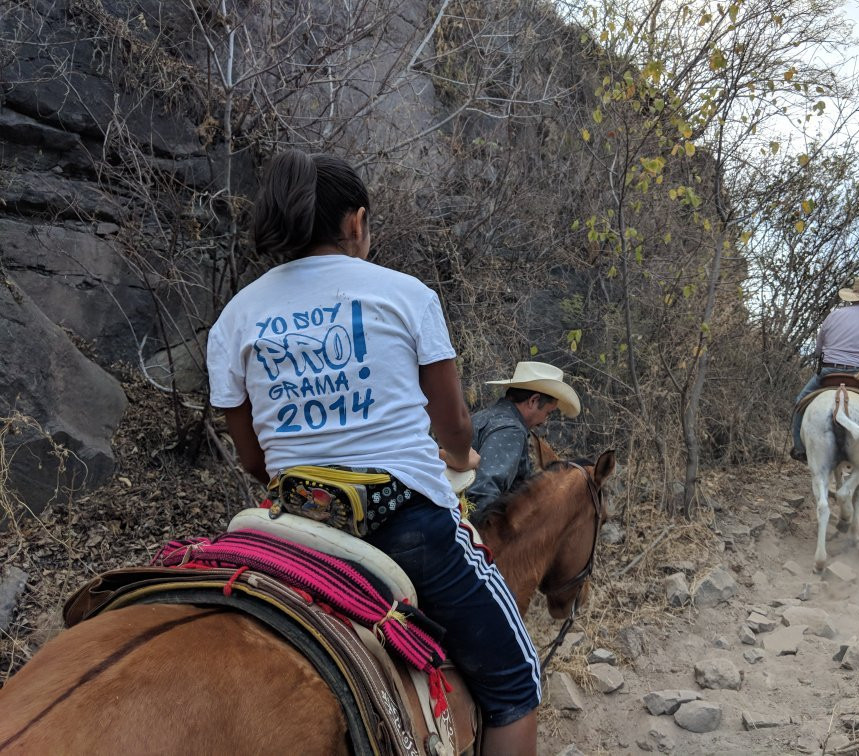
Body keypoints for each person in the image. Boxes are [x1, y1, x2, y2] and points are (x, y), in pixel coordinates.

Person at [206, 149, 540, 753]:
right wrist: (462, 458)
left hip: (289, 529)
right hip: (405, 527)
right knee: (516, 682)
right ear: (356, 223)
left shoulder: (233, 319)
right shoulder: (406, 295)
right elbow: (455, 425)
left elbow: (254, 461)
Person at [790, 274, 859, 462]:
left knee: (800, 401)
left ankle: (800, 449)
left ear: (854, 296)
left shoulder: (834, 315)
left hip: (830, 373)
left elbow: (818, 350)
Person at [467, 361, 581, 517]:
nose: (545, 421)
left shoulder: (483, 416)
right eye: (547, 413)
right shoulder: (511, 430)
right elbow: (483, 494)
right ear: (533, 401)